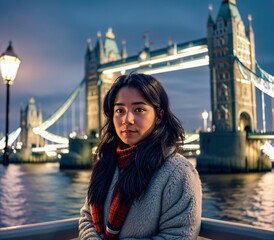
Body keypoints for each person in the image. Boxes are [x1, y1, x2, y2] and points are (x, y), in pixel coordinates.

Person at [79, 73, 202, 239]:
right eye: (119, 110)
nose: (127, 119)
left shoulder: (179, 173)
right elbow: (87, 218)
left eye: (139, 110)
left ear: (159, 116)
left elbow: (179, 234)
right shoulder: (104, 165)